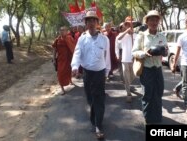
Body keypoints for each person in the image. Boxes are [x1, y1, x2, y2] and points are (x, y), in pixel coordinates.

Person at [71, 11, 111, 139]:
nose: (91, 23)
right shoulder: (82, 39)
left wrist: (107, 72)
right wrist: (75, 66)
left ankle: (98, 125)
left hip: (99, 74)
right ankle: (95, 118)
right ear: (86, 23)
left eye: (94, 20)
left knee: (99, 99)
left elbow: (107, 56)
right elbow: (77, 53)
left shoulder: (104, 39)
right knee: (90, 99)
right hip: (87, 74)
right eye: (89, 21)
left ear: (97, 23)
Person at [132, 10, 168, 124]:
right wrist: (144, 53)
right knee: (148, 95)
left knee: (158, 94)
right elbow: (134, 52)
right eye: (151, 19)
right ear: (147, 22)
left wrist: (165, 52)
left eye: (156, 19)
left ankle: (157, 119)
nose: (154, 22)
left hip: (158, 70)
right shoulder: (141, 36)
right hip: (146, 70)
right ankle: (148, 120)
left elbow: (166, 51)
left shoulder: (162, 36)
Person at [117, 16, 137, 103]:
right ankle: (128, 93)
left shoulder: (136, 35)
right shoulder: (122, 35)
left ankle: (128, 84)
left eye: (130, 24)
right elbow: (118, 38)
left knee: (133, 76)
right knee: (126, 77)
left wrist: (132, 34)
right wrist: (126, 31)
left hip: (134, 59)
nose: (129, 25)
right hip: (125, 59)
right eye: (127, 24)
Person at [52, 26, 76, 95]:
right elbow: (54, 50)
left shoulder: (69, 38)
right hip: (60, 60)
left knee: (69, 71)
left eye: (63, 30)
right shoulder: (57, 40)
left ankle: (70, 80)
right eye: (61, 30)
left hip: (69, 59)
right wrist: (54, 59)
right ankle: (62, 89)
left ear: (67, 31)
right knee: (60, 73)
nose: (62, 32)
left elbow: (74, 47)